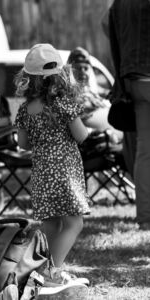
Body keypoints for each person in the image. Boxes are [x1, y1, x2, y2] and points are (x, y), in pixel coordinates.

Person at [13, 44, 90, 294]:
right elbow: (81, 136)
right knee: (73, 223)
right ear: (60, 75)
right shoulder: (64, 104)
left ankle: (43, 271)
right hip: (65, 171)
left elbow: (23, 143)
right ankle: (51, 273)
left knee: (51, 225)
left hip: (43, 172)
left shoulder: (25, 109)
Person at [107, 0, 150, 231]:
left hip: (132, 80)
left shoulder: (118, 3)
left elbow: (112, 39)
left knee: (145, 153)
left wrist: (120, 81)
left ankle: (145, 218)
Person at [67, 46, 122, 145]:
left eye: (86, 68)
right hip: (93, 146)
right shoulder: (68, 94)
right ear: (70, 70)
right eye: (78, 68)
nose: (83, 72)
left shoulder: (91, 91)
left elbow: (106, 92)